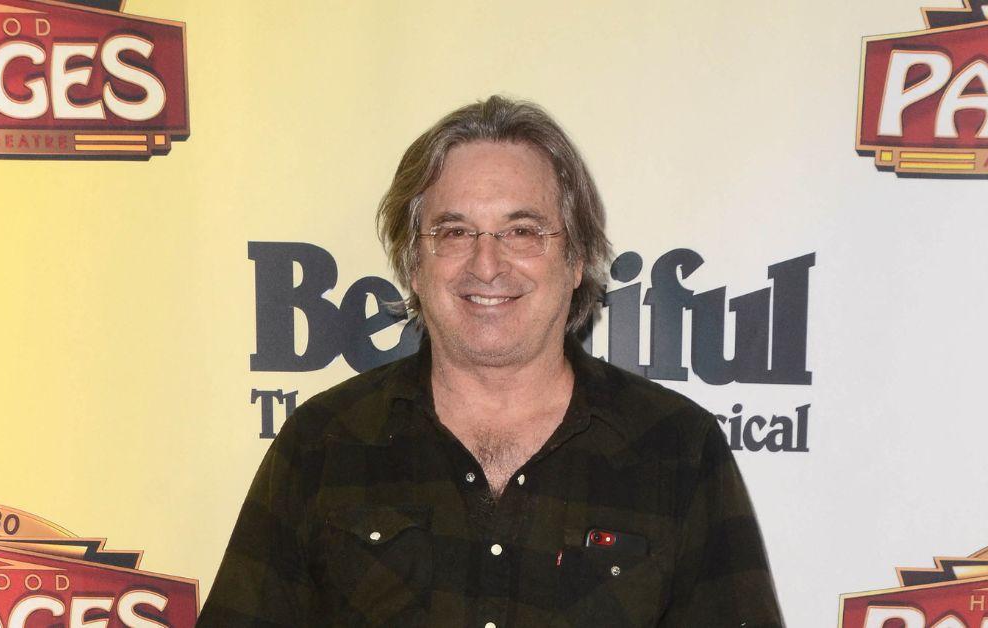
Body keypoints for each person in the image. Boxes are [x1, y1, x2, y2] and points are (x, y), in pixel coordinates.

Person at [198, 95, 784, 627]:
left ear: (576, 260)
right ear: (413, 264)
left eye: (522, 231)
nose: (486, 265)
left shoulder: (677, 449)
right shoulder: (323, 444)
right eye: (454, 232)